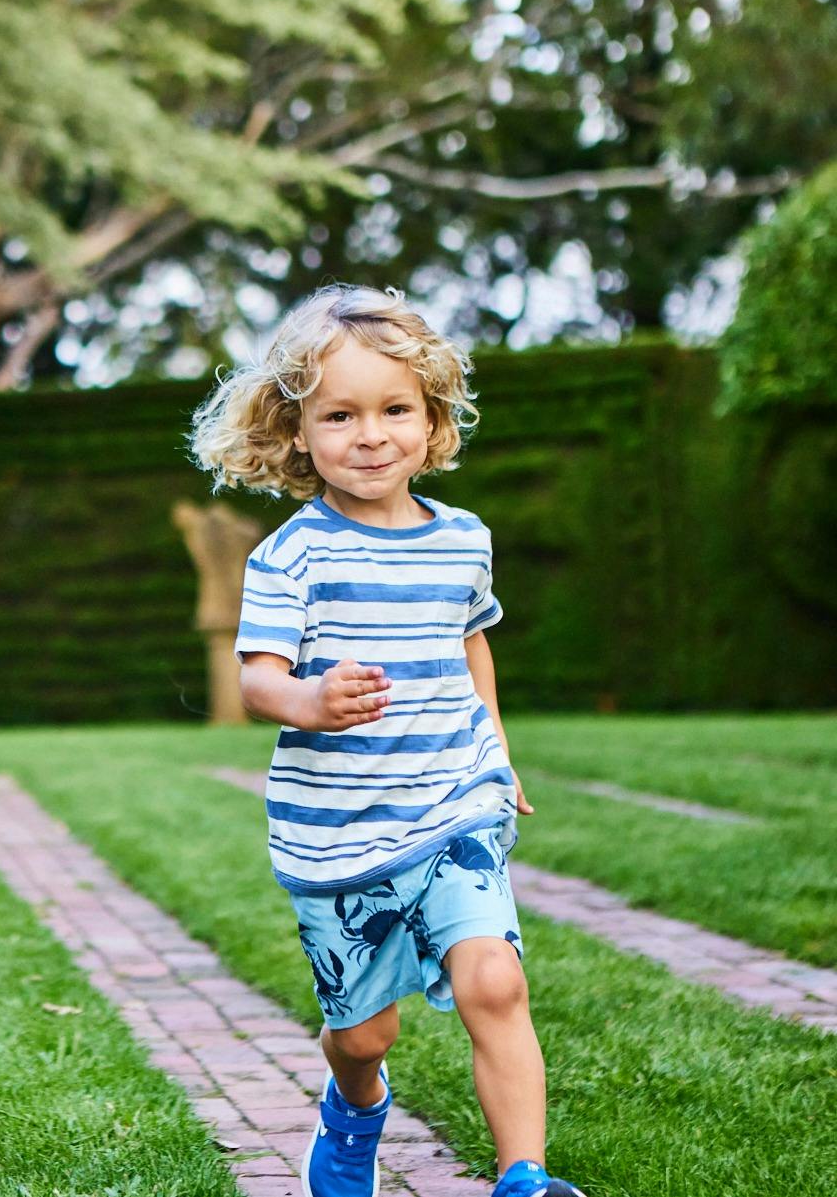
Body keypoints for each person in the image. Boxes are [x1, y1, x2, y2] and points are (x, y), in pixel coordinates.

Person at [190, 284, 583, 1197]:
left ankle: (524, 1177)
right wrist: (310, 700)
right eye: (340, 414)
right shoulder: (291, 555)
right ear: (297, 431)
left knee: (493, 978)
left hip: (454, 800)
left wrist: (496, 747)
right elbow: (256, 679)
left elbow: (469, 641)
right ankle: (354, 1102)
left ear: (432, 419)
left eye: (395, 409)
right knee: (366, 1032)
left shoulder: (463, 539)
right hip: (340, 832)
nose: (371, 435)